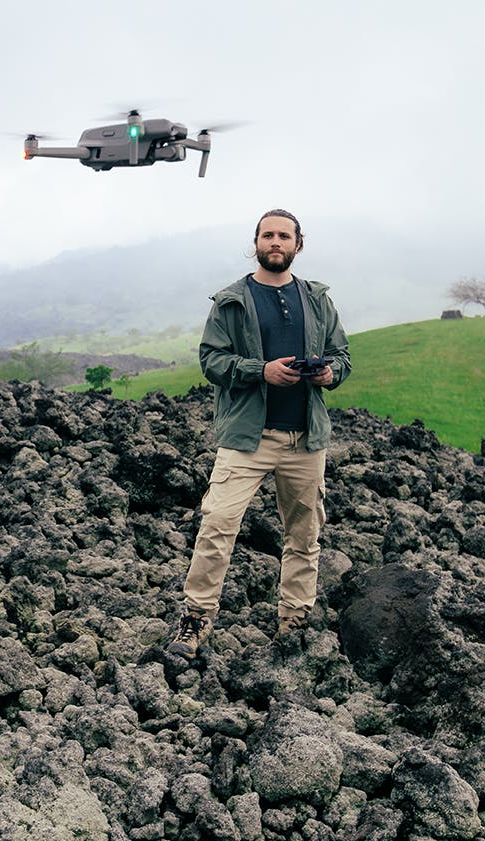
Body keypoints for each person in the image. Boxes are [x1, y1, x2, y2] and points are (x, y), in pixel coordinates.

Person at [167, 209, 351, 658]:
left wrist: (329, 374)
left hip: (305, 438)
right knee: (217, 524)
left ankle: (295, 620)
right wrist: (260, 371)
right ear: (256, 243)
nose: (275, 242)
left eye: (283, 236)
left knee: (305, 535)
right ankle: (195, 619)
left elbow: (342, 354)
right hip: (248, 437)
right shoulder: (232, 300)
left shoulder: (316, 299)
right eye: (267, 235)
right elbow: (211, 361)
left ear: (297, 245)